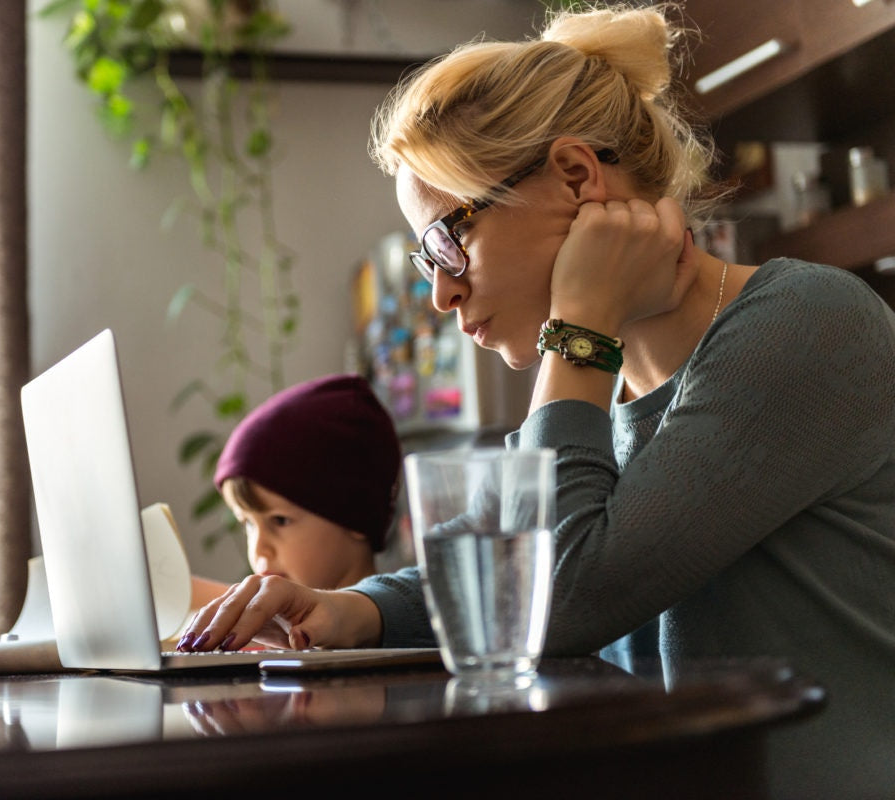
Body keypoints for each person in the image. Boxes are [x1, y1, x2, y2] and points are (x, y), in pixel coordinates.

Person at [176, 4, 895, 792]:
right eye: (425, 263)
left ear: (578, 178)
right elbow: (502, 563)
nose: (442, 296)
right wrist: (348, 610)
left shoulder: (807, 325)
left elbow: (565, 595)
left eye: (450, 240)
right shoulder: (601, 388)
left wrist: (579, 330)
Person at [188, 373, 403, 611]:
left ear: (358, 513)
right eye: (248, 524)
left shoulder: (392, 641)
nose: (259, 549)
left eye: (280, 520)